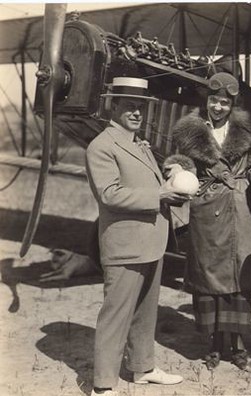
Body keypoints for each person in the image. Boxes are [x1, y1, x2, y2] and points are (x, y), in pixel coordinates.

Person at [86, 77, 189, 396]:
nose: (136, 112)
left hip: (150, 241)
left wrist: (167, 176)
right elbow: (110, 195)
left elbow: (141, 180)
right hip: (125, 244)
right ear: (112, 106)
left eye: (140, 107)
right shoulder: (102, 146)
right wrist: (159, 193)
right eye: (129, 106)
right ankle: (103, 385)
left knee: (145, 311)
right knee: (116, 314)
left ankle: (142, 368)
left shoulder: (138, 144)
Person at [163, 72, 251, 371]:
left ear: (232, 104)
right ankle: (212, 344)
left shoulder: (245, 130)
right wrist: (175, 169)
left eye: (224, 102)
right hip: (207, 212)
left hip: (240, 210)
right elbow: (182, 163)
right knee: (208, 280)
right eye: (214, 101)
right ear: (206, 101)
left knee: (239, 282)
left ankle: (237, 346)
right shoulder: (189, 131)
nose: (218, 107)